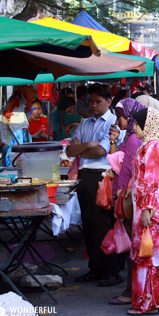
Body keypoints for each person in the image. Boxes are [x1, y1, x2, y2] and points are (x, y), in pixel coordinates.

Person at [66, 84, 122, 287]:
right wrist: (90, 145)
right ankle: (96, 268)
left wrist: (86, 147)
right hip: (84, 176)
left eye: (98, 101)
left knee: (103, 224)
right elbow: (70, 151)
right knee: (88, 223)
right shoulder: (85, 122)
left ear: (109, 102)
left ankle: (112, 270)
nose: (94, 105)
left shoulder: (113, 122)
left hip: (103, 176)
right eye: (91, 101)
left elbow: (102, 152)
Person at [127, 107, 159, 315]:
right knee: (150, 254)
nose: (134, 127)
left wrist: (146, 209)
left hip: (151, 210)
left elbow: (150, 180)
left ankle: (148, 303)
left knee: (148, 256)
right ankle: (152, 301)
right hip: (150, 208)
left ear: (148, 125)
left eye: (137, 123)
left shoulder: (153, 147)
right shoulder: (150, 145)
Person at [106, 98, 146, 306]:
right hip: (130, 196)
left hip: (128, 198)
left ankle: (131, 291)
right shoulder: (130, 137)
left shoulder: (132, 140)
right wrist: (114, 140)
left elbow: (125, 172)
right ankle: (135, 289)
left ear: (130, 116)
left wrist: (117, 197)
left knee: (133, 246)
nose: (117, 119)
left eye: (120, 115)